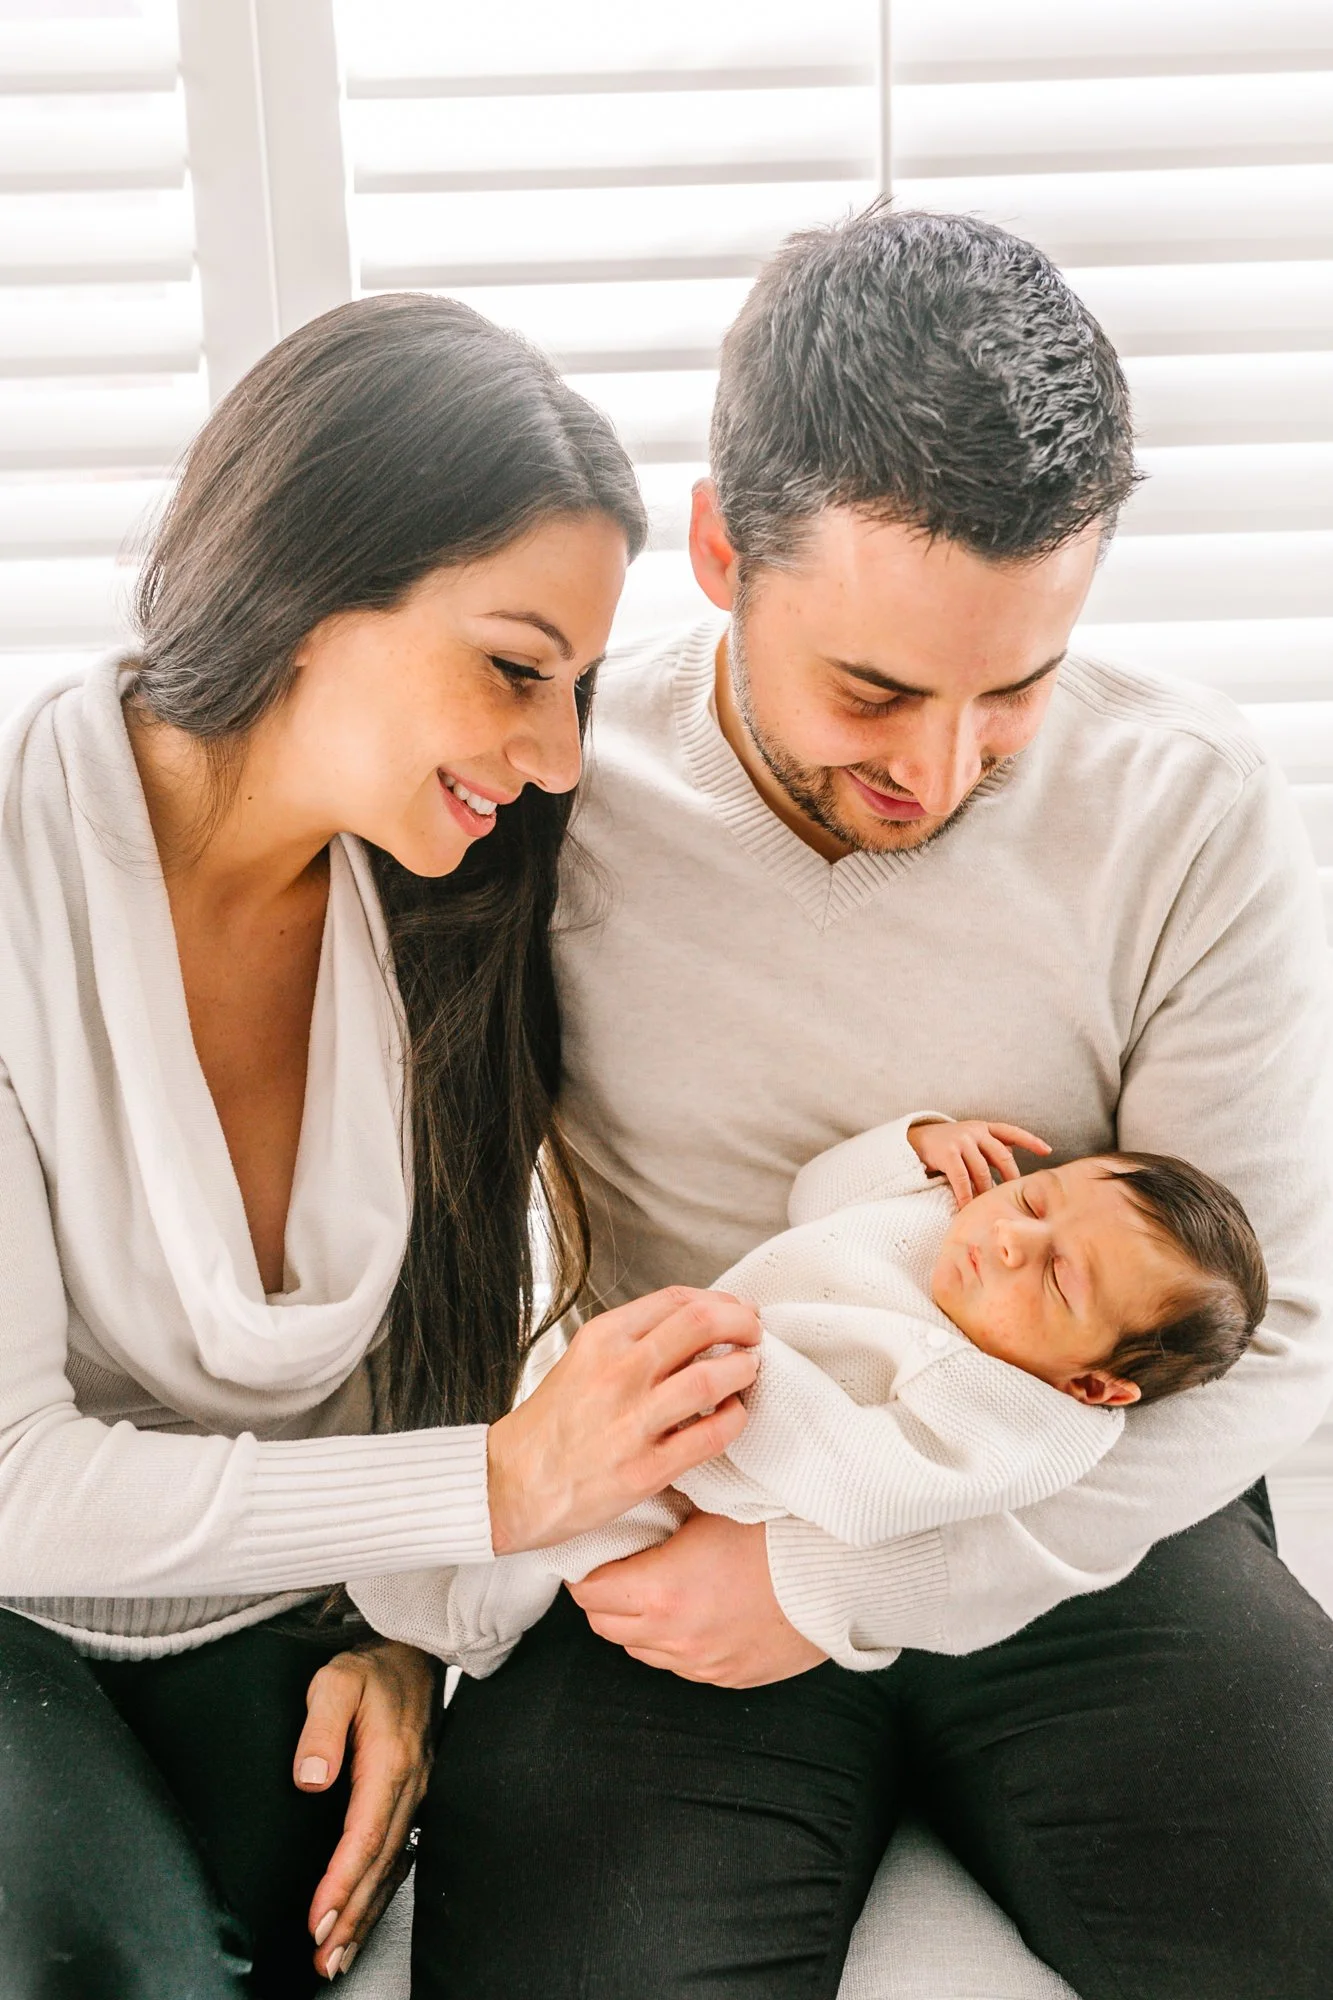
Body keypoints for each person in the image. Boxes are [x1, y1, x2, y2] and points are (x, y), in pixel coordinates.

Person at [414, 207, 1333, 2000]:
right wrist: (399, 1609)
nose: (937, 767)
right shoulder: (541, 786)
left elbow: (1277, 1333)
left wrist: (846, 1587)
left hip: (1080, 1503)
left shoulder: (1190, 810)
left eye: (1016, 688)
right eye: (874, 689)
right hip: (688, 1497)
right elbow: (409, 1235)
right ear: (715, 552)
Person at [0, 293, 765, 1998]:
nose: (558, 752)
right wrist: (494, 1490)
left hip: (257, 1619)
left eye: (573, 687)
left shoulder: (438, 898)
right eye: (512, 669)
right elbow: (11, 1483)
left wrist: (400, 1631)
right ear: (301, 582)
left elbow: (422, 1366)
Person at [356, 1112, 1267, 1679]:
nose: (1008, 1242)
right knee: (502, 1423)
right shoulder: (950, 1223)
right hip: (682, 1375)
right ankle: (397, 1564)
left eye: (1059, 1278)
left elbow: (869, 1487)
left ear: (1093, 1381)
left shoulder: (1021, 1419)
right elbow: (815, 1202)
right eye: (1037, 1201)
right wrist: (913, 1145)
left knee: (565, 1543)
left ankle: (460, 1632)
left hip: (718, 1478)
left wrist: (742, 1370)